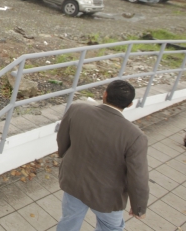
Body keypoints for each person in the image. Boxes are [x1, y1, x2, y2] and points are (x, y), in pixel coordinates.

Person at [56, 80, 149, 230]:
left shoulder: (77, 109)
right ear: (130, 104)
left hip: (74, 182)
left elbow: (62, 140)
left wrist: (64, 155)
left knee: (69, 220)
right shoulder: (135, 136)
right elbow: (138, 176)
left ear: (104, 94)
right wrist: (139, 207)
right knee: (110, 227)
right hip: (108, 197)